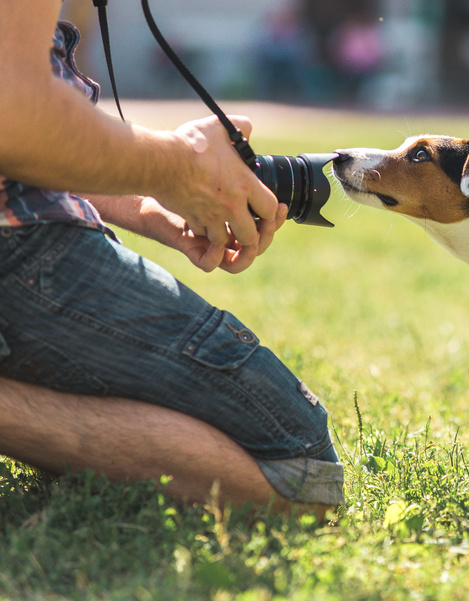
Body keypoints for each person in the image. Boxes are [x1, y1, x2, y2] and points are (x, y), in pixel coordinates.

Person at [0, 1, 343, 517]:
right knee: (302, 472)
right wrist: (177, 166)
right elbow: (16, 114)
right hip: (19, 249)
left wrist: (144, 203)